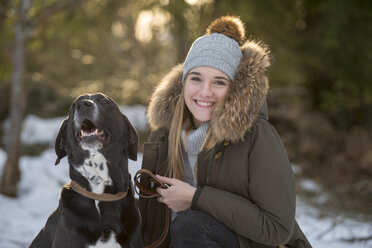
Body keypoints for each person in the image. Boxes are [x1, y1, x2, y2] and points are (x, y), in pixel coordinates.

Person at [137, 16, 312, 248]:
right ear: (183, 82)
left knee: (191, 226)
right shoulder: (164, 135)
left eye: (219, 82)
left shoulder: (257, 136)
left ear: (234, 89)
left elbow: (277, 229)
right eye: (196, 78)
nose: (205, 92)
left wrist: (195, 198)